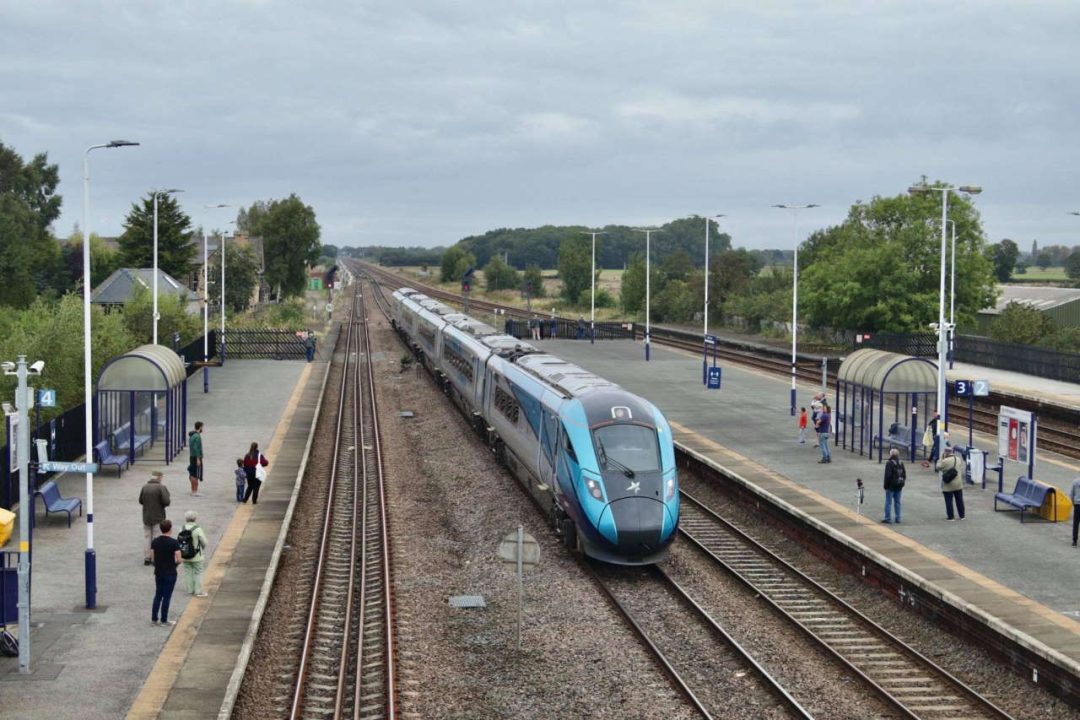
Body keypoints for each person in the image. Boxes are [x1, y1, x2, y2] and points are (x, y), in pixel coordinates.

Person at [150, 518, 181, 626]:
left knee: (158, 595)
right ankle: (164, 619)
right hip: (170, 572)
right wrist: (175, 565)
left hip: (158, 572)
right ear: (170, 529)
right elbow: (179, 559)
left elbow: (152, 558)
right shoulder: (174, 543)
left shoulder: (155, 542)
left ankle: (154, 618)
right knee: (167, 597)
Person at [139, 471, 170, 566]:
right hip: (158, 516)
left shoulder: (144, 487)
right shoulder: (161, 487)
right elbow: (166, 502)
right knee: (156, 537)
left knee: (147, 537)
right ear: (159, 477)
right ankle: (155, 558)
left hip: (146, 516)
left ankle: (147, 557)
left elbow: (140, 500)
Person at [179, 510, 209, 597]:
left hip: (185, 554)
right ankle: (198, 591)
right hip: (197, 556)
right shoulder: (197, 529)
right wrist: (201, 549)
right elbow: (204, 542)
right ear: (195, 518)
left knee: (188, 571)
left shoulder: (182, 528)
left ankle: (190, 589)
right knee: (198, 572)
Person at [936, 446, 965, 520]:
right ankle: (962, 516)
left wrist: (941, 458)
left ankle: (951, 517)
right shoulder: (958, 459)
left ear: (946, 453)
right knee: (959, 500)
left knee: (949, 501)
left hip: (948, 484)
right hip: (958, 484)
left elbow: (938, 467)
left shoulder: (944, 461)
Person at [882, 448, 906, 524]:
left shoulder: (889, 463)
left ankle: (887, 518)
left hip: (891, 486)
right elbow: (904, 474)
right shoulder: (901, 462)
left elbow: (887, 476)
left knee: (888, 502)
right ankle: (898, 518)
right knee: (897, 502)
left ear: (891, 454)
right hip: (899, 485)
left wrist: (885, 486)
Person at [188, 421, 204, 496]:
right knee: (195, 474)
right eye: (202, 427)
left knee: (192, 473)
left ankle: (192, 490)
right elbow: (196, 448)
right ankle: (195, 491)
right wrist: (198, 459)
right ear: (200, 427)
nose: (203, 429)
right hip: (196, 457)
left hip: (191, 456)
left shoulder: (192, 435)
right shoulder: (197, 436)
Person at [1070, 475, 1080, 547]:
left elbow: (1071, 494)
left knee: (1076, 523)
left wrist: (1073, 502)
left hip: (1077, 505)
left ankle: (1074, 541)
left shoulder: (1075, 481)